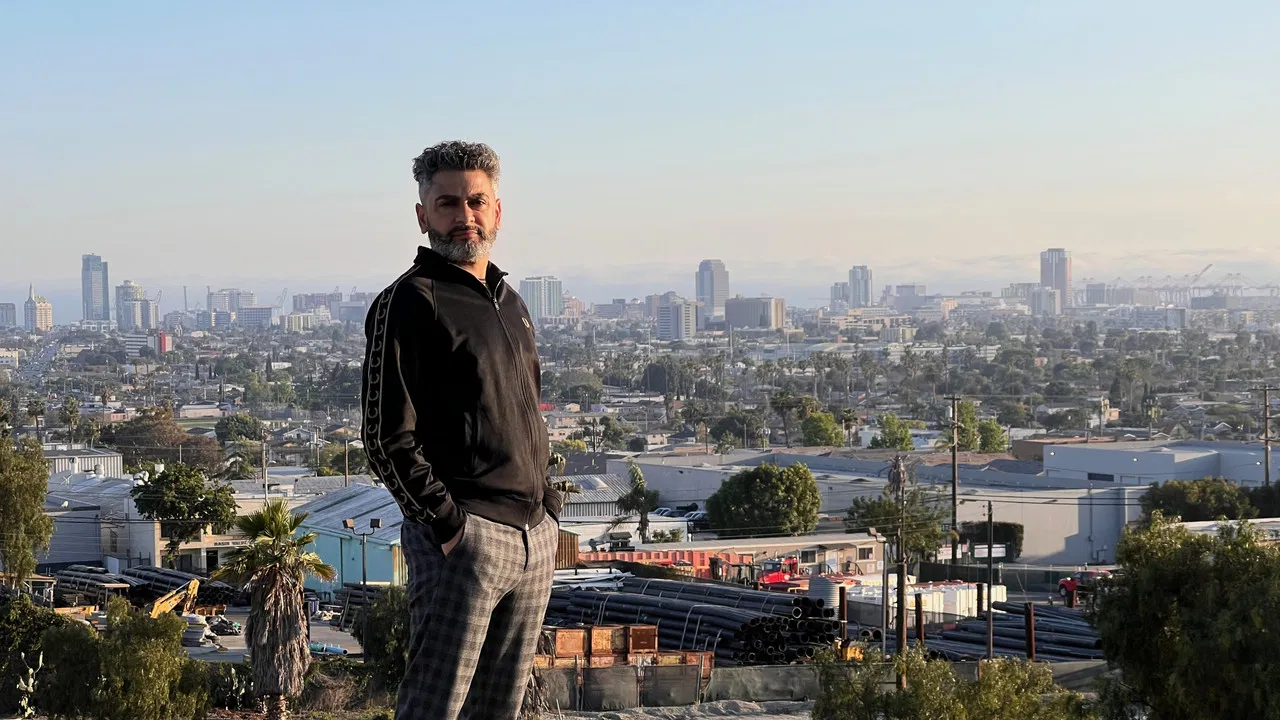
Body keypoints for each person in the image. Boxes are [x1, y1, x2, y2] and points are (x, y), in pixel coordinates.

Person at [361, 140, 562, 720]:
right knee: (435, 706)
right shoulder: (409, 302)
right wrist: (448, 527)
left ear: (497, 211)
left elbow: (527, 412)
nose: (464, 215)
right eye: (447, 203)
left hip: (533, 536)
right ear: (423, 215)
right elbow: (385, 437)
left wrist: (547, 507)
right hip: (466, 542)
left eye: (476, 201)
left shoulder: (510, 301)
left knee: (500, 710)